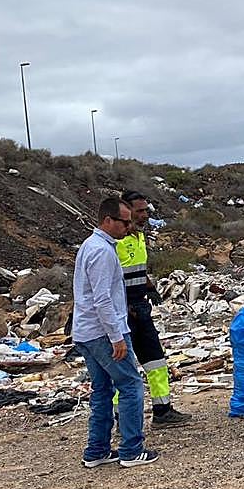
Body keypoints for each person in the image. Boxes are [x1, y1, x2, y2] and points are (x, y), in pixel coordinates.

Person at [73, 196, 158, 468]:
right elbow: (102, 299)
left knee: (102, 389)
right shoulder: (102, 251)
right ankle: (132, 450)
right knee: (131, 385)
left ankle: (97, 451)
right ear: (108, 220)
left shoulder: (91, 246)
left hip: (87, 332)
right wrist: (116, 336)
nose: (128, 227)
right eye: (124, 222)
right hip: (102, 333)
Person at [116, 190, 193, 428]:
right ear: (126, 211)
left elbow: (136, 269)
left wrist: (149, 286)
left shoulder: (139, 237)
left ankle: (162, 410)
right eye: (139, 211)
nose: (144, 215)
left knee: (156, 360)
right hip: (125, 311)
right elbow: (111, 280)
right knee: (124, 365)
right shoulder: (117, 242)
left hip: (140, 306)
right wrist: (126, 305)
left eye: (146, 210)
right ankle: (122, 417)